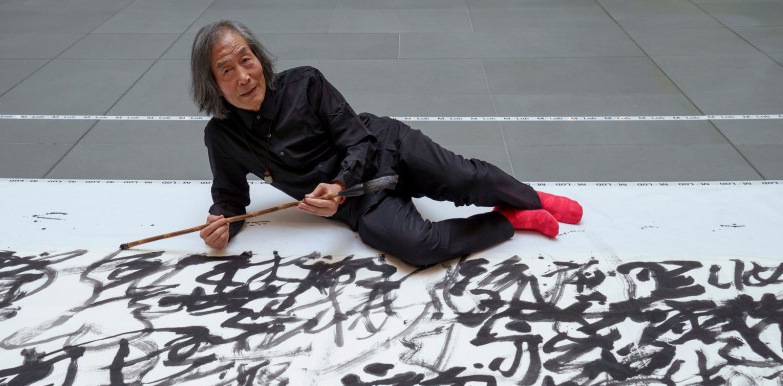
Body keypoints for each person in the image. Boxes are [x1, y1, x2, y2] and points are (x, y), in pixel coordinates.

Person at [191, 20, 583, 268]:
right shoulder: (222, 136)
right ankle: (508, 220)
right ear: (212, 85)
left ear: (259, 58)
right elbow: (229, 197)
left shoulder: (305, 83)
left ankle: (531, 198)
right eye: (227, 70)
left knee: (463, 177)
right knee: (418, 248)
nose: (243, 76)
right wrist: (222, 223)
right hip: (359, 203)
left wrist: (338, 185)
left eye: (247, 60)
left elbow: (357, 141)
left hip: (385, 148)